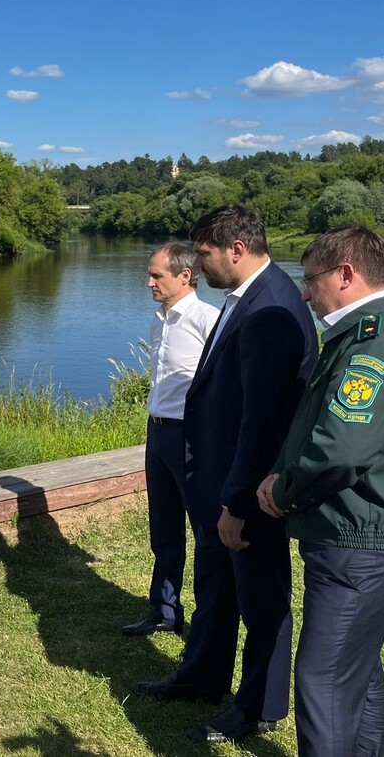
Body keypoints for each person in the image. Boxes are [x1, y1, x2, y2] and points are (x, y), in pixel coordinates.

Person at [134, 205, 317, 745]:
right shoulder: (251, 298)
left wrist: (238, 501)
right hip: (221, 481)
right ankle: (202, 676)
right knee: (218, 584)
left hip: (250, 491)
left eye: (207, 253)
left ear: (235, 248)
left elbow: (262, 421)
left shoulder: (270, 309)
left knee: (260, 597)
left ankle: (257, 707)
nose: (203, 264)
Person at [256, 225, 384, 757]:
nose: (306, 294)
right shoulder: (373, 333)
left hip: (361, 544)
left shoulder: (373, 343)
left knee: (324, 680)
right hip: (366, 536)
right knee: (354, 671)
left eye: (310, 280)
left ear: (346, 274)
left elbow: (342, 449)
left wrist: (284, 491)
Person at [121, 242, 219, 637]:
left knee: (203, 528)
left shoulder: (207, 319)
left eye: (157, 275)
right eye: (149, 274)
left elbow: (219, 384)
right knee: (163, 525)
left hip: (191, 434)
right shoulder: (159, 320)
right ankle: (164, 609)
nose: (149, 282)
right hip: (158, 429)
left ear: (184, 276)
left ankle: (208, 619)